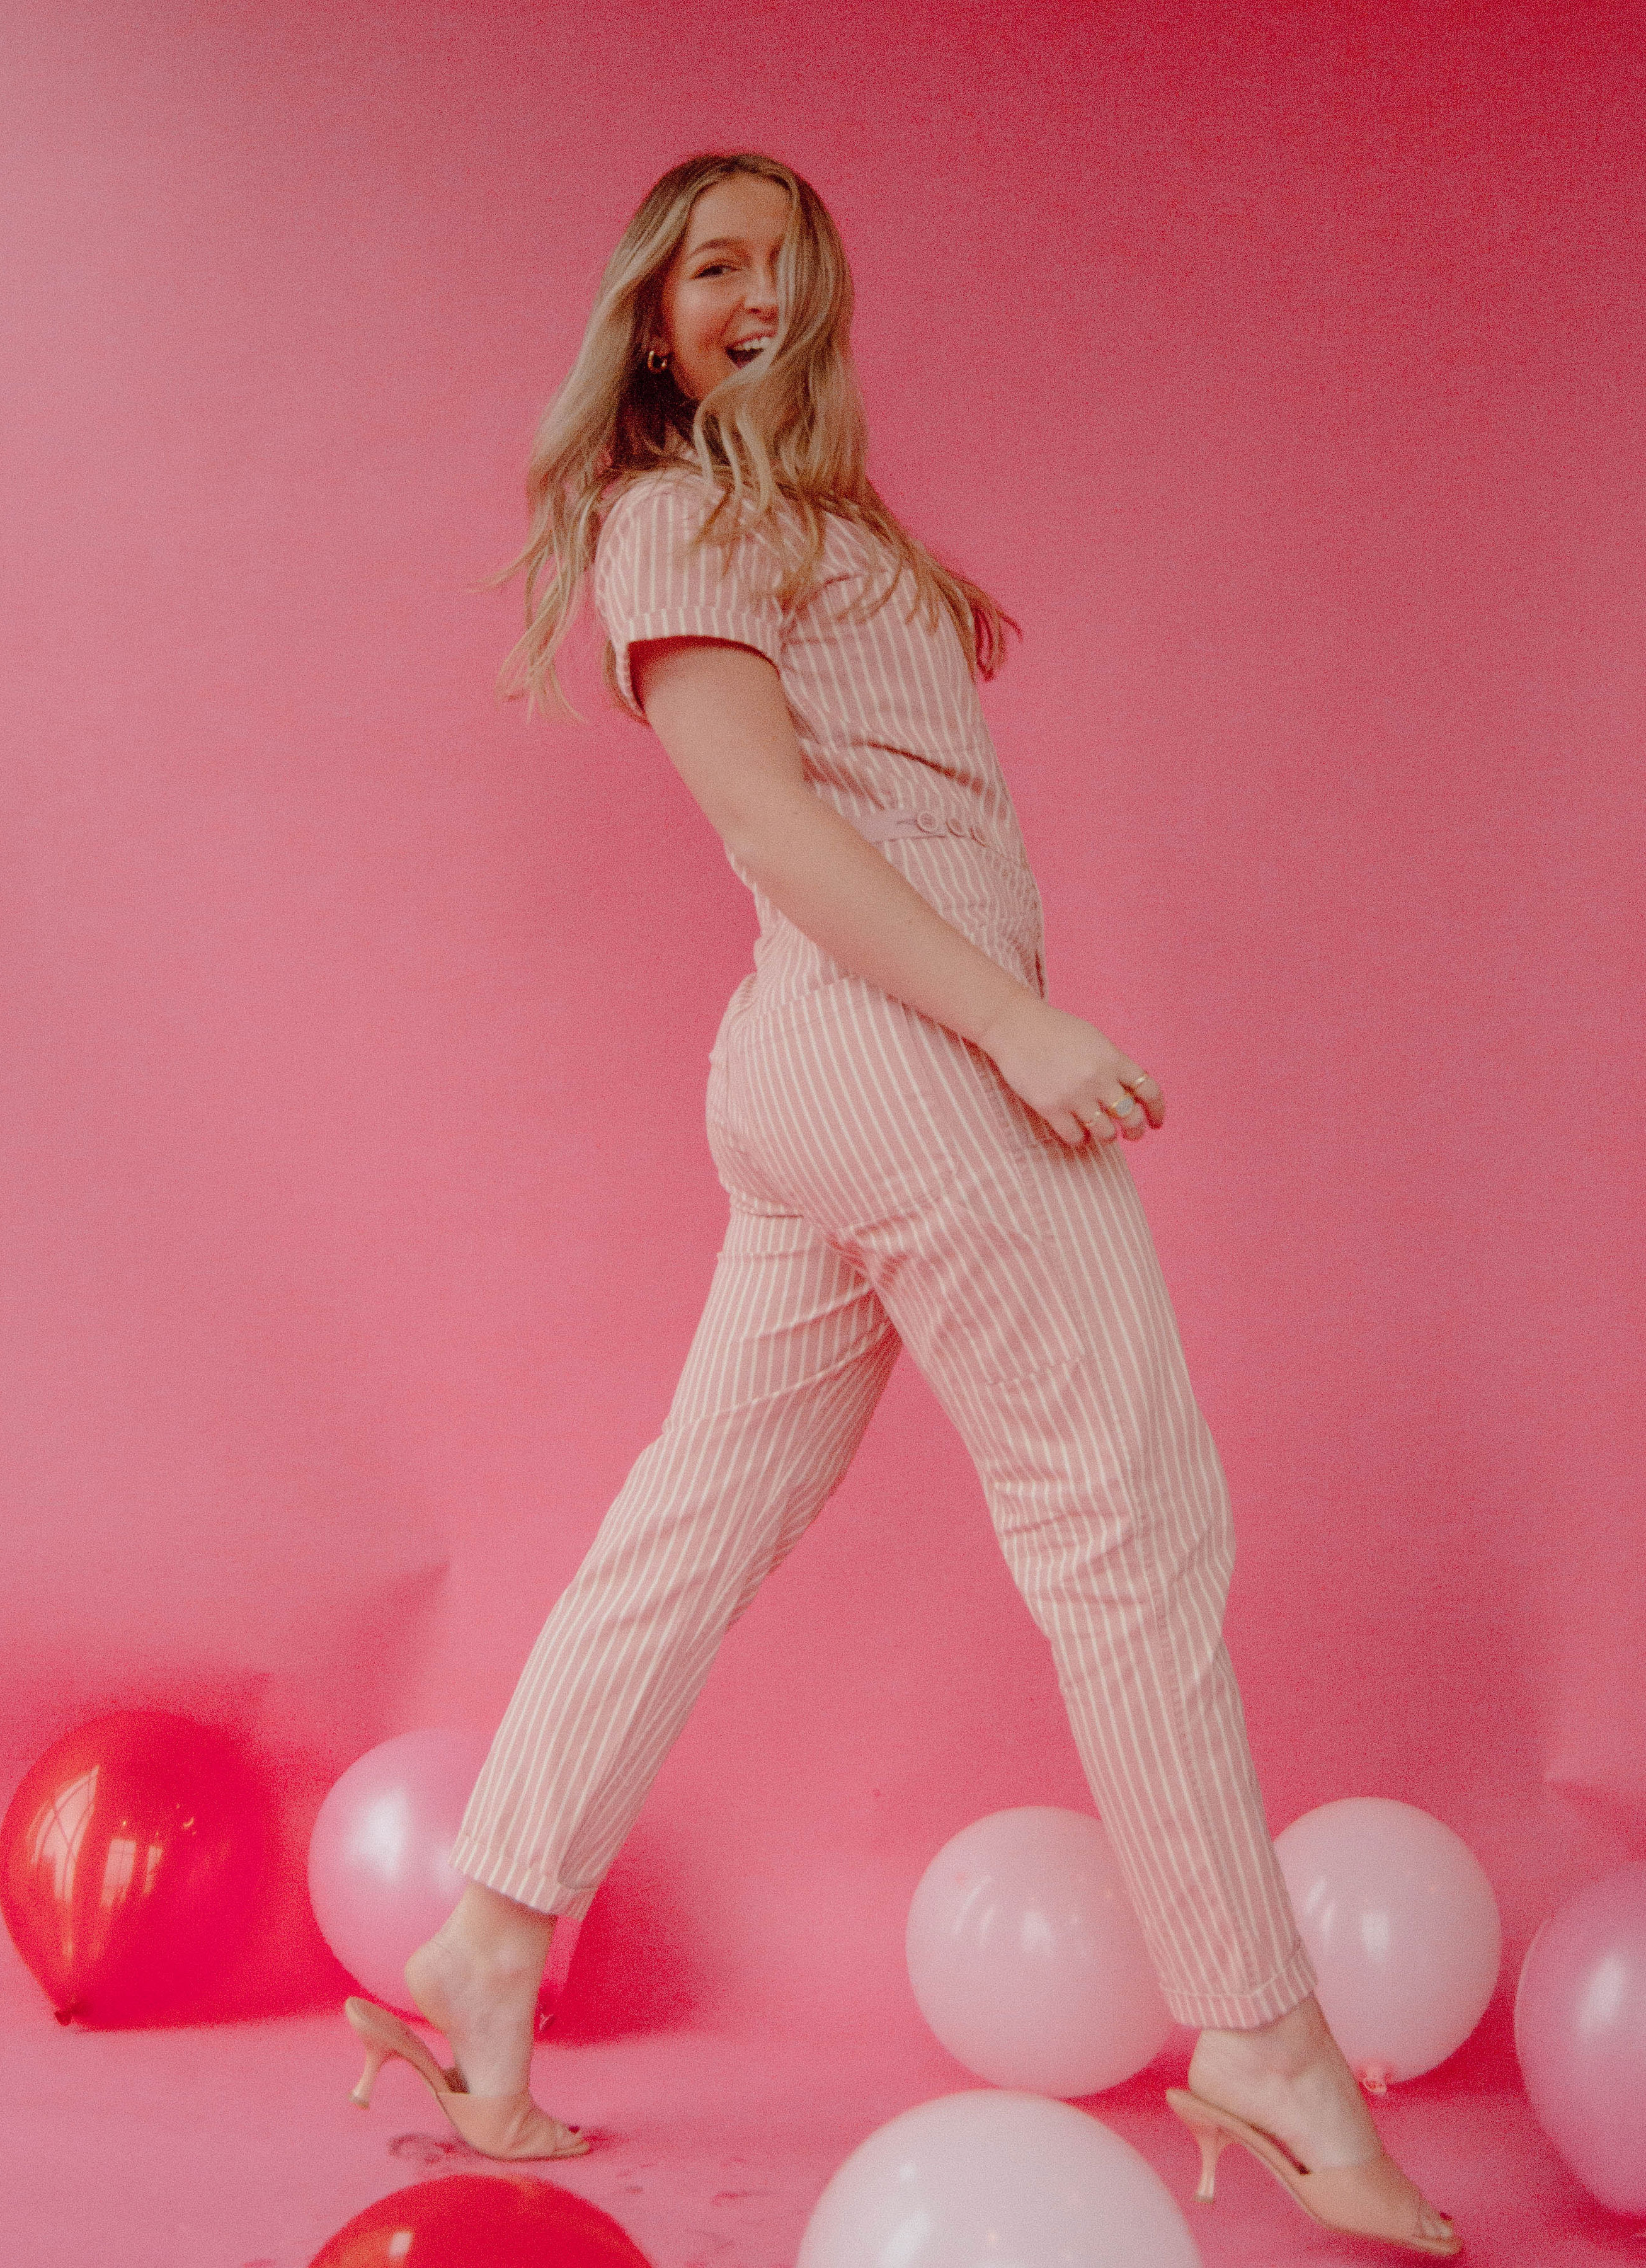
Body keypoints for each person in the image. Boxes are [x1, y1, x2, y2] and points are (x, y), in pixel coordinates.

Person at [343, 152, 1461, 2257]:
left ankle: (486, 1940)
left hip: (829, 1074)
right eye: (712, 265)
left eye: (787, 262)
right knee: (1128, 1519)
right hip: (894, 1056)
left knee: (694, 1521)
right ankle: (1260, 2034)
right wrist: (1014, 1028)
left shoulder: (816, 520)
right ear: (650, 314)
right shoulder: (673, 516)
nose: (755, 292)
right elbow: (769, 827)